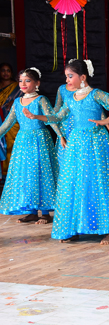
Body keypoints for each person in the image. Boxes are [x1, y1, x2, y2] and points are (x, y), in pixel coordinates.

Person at [23, 59, 109, 245]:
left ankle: (106, 230)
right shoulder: (71, 98)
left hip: (95, 142)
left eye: (70, 76)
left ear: (82, 77)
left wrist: (107, 121)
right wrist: (36, 116)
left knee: (98, 182)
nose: (67, 80)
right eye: (66, 76)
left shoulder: (96, 94)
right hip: (76, 144)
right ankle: (75, 228)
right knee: (75, 184)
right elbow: (57, 117)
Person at [0, 68, 62, 224]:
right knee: (26, 175)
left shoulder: (41, 100)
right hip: (22, 142)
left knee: (41, 174)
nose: (23, 83)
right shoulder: (17, 102)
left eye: (27, 80)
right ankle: (32, 211)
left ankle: (45, 213)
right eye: (21, 80)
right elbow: (7, 123)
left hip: (40, 140)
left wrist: (61, 136)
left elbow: (51, 118)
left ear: (37, 83)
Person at [0, 63, 22, 175]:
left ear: (12, 73)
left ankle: (11, 172)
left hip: (12, 121)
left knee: (11, 144)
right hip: (0, 119)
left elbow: (24, 100)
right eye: (3, 70)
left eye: (8, 70)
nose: (5, 73)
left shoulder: (18, 87)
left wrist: (15, 101)